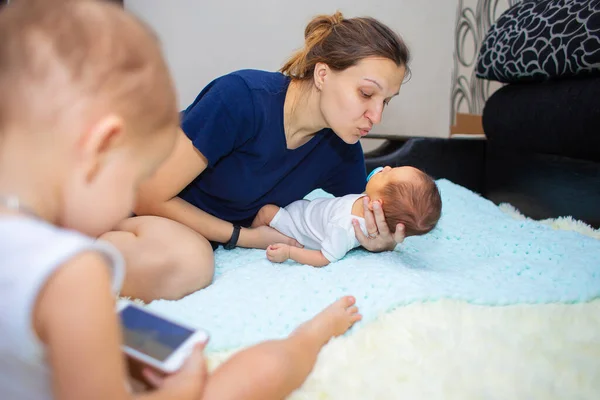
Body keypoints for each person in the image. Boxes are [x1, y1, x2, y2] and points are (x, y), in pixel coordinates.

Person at [0, 2, 361, 400]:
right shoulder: (74, 277)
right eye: (135, 172)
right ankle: (306, 341)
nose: (131, 197)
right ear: (99, 148)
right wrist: (181, 390)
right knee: (230, 384)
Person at [102, 11, 413, 302]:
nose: (376, 115)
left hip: (166, 227)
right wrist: (246, 237)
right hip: (117, 189)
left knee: (191, 259)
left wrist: (376, 240)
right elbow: (147, 195)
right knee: (191, 262)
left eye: (387, 101)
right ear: (322, 74)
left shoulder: (341, 151)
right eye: (367, 94)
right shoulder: (241, 98)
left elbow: (351, 214)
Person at [252, 166, 442, 266]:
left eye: (387, 174)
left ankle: (249, 236)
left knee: (266, 212)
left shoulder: (345, 226)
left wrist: (290, 253)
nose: (385, 168)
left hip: (296, 227)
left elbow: (324, 257)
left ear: (379, 204)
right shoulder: (368, 200)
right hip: (305, 211)